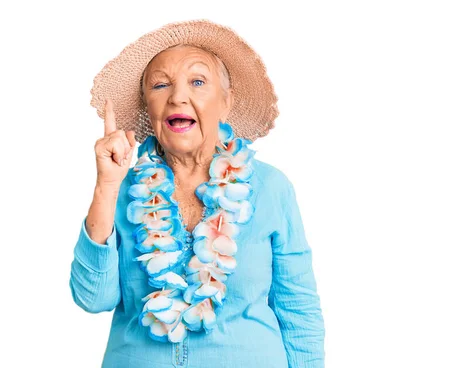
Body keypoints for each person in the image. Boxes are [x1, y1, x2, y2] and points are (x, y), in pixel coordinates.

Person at [69, 19, 325, 368]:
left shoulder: (271, 188)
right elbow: (92, 298)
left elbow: (299, 311)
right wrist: (107, 186)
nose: (177, 96)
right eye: (160, 85)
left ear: (226, 102)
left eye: (198, 82)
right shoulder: (121, 189)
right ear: (148, 107)